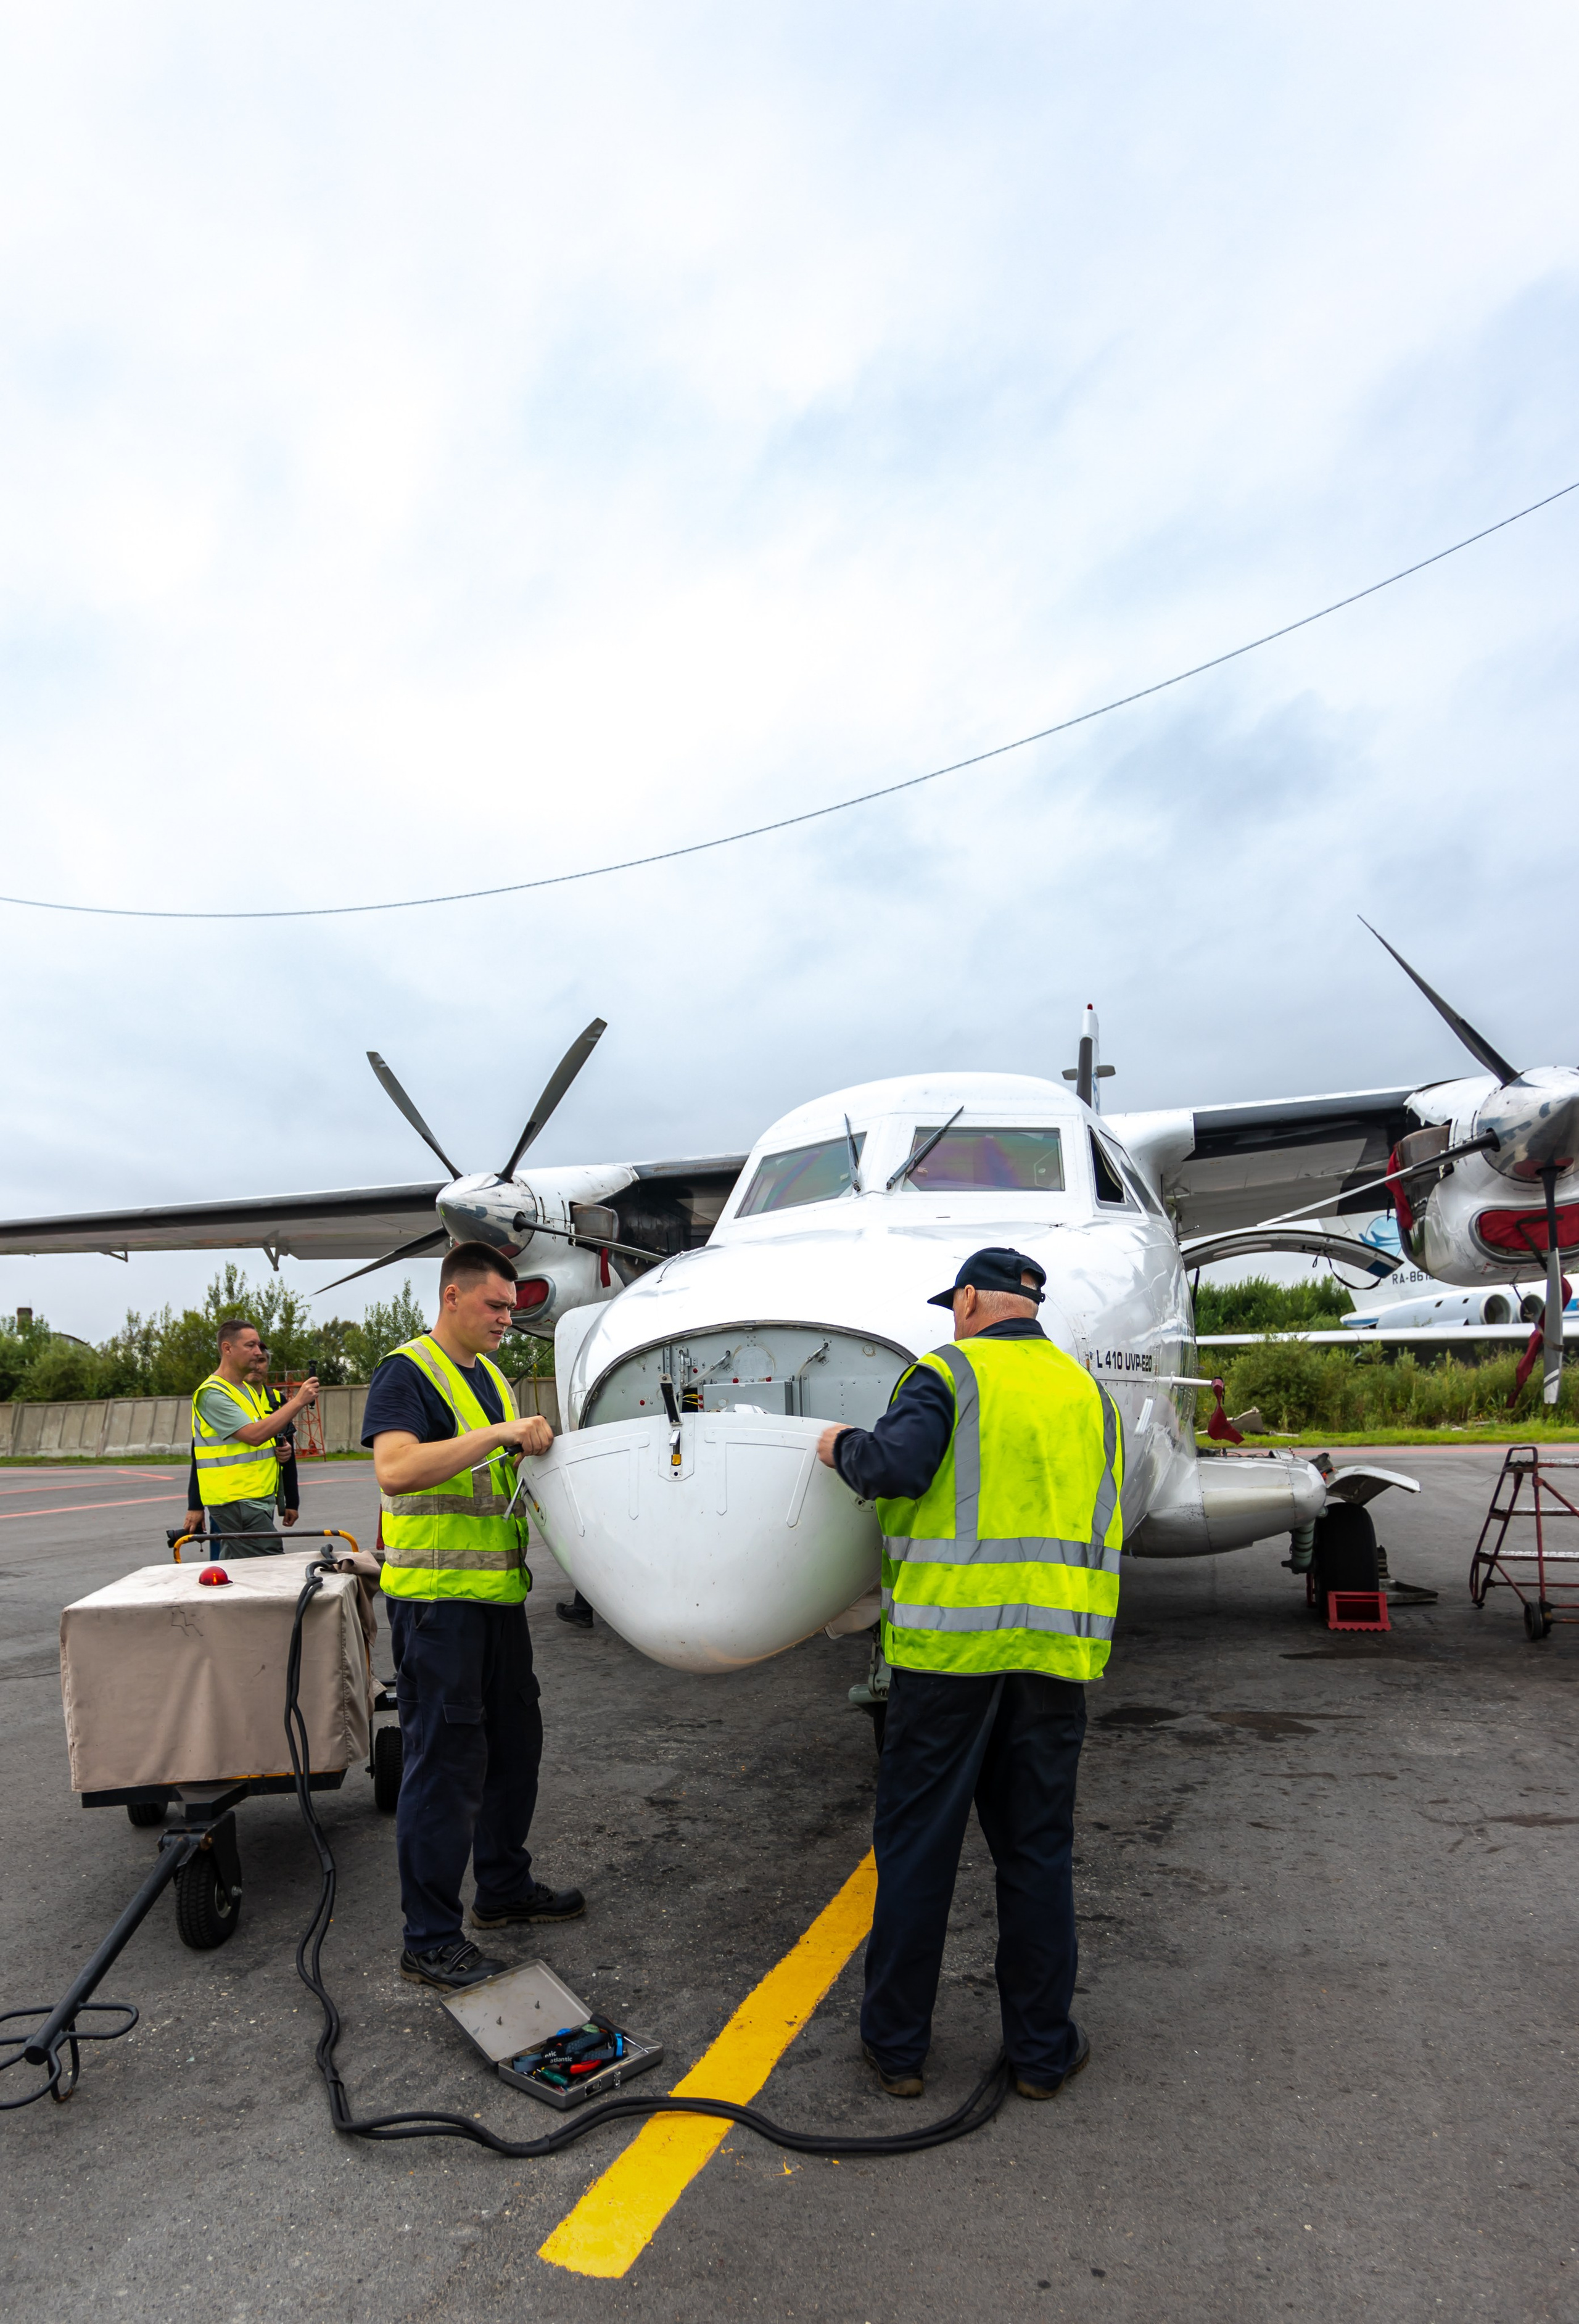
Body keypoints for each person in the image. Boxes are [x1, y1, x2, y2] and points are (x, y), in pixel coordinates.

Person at [816, 1246, 1123, 2104]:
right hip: (1055, 1658)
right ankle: (1040, 2055)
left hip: (950, 1661)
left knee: (918, 1854)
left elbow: (896, 1469)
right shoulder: (1085, 1395)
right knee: (1036, 1856)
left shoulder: (945, 1374)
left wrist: (842, 1444)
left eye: (954, 1305)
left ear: (970, 1300)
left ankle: (899, 2051)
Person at [364, 1242, 584, 1995]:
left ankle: (501, 1889)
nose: (506, 1319)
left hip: (495, 1602)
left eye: (511, 1308)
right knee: (445, 1769)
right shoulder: (407, 1372)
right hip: (436, 1608)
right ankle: (428, 1939)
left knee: (514, 1748)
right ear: (452, 1298)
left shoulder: (489, 1374)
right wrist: (499, 1435)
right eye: (494, 1306)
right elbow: (395, 1468)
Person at [189, 1319, 319, 1551]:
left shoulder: (245, 1390)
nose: (258, 1352)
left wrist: (280, 1450)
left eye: (259, 1346)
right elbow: (253, 1435)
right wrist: (299, 1401)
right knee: (268, 1562)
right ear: (227, 1348)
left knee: (240, 1571)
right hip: (237, 1500)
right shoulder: (213, 1394)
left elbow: (261, 1436)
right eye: (251, 1346)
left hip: (255, 1499)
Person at [183, 1340, 300, 1538]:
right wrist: (195, 1505)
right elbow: (202, 1457)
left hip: (261, 1497)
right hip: (230, 1499)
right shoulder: (224, 1398)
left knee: (239, 1559)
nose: (256, 1365)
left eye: (262, 1360)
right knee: (251, 1557)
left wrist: (292, 1501)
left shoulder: (277, 1401)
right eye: (252, 1359)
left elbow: (288, 1454)